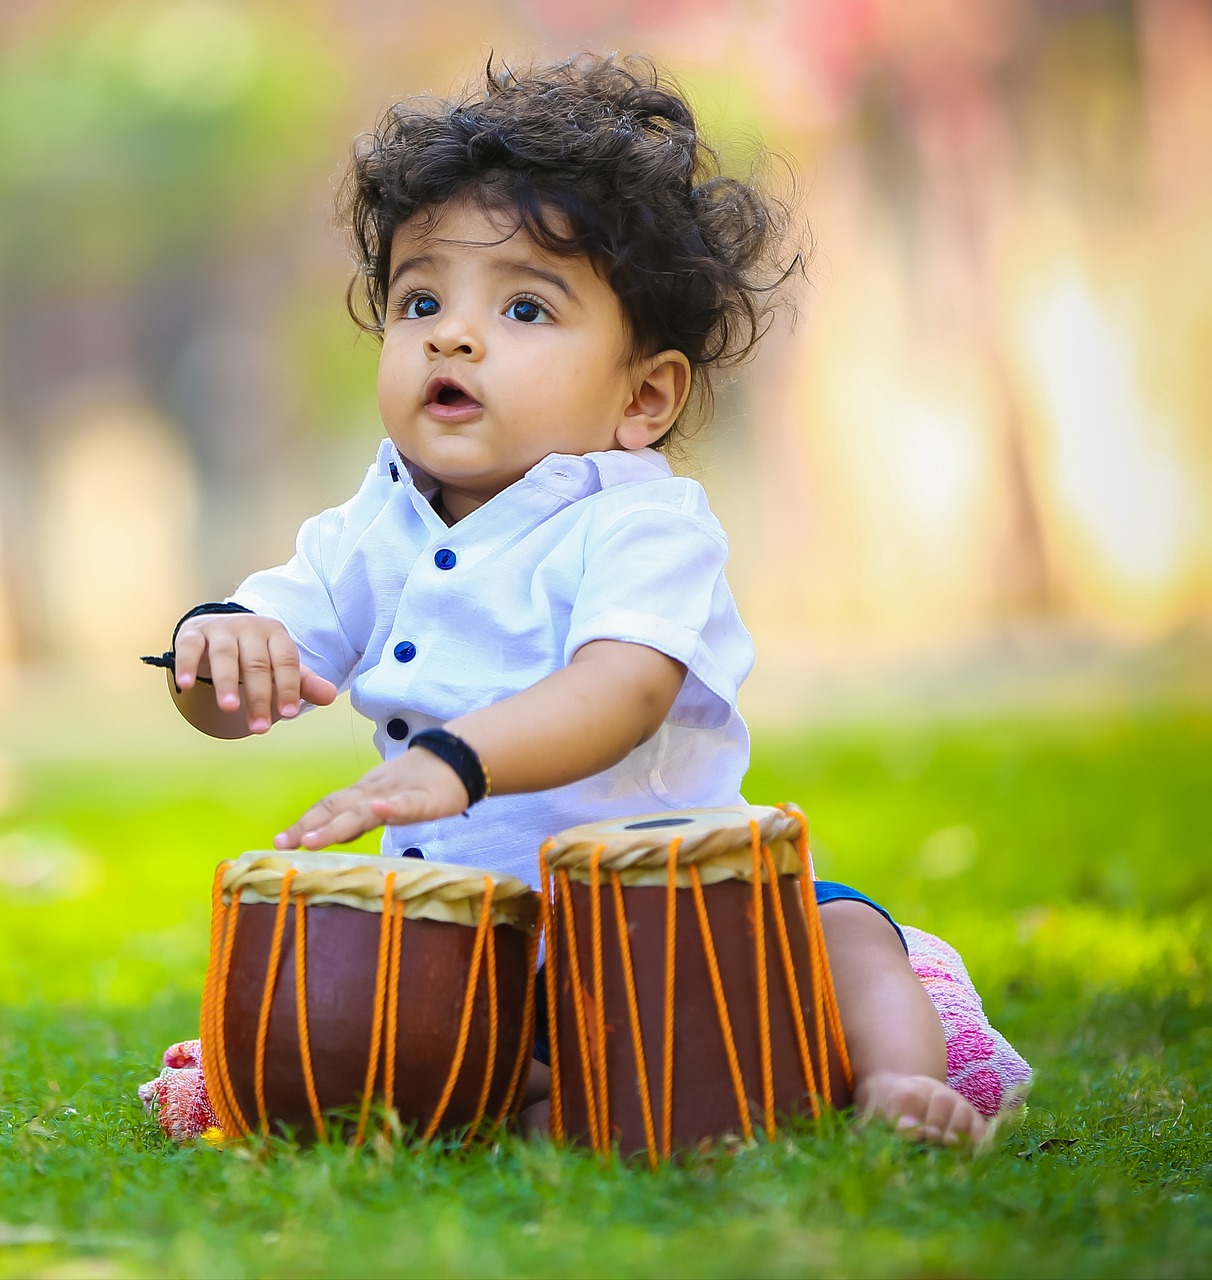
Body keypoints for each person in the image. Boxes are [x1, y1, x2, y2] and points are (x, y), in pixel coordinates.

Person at [146, 54, 987, 1146]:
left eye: (527, 307)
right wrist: (213, 645)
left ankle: (904, 1084)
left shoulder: (642, 522)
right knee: (388, 1049)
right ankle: (553, 1089)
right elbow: (250, 662)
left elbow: (620, 690)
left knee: (849, 934)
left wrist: (451, 762)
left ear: (645, 396)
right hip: (473, 944)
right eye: (422, 298)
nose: (452, 333)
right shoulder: (378, 519)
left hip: (676, 922)